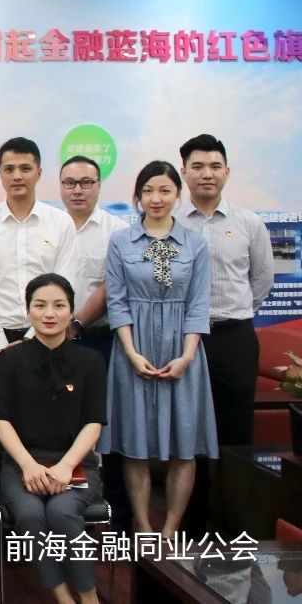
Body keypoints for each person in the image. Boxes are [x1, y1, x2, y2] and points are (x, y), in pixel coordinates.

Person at [99, 161, 217, 538]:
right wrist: (131, 353)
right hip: (133, 349)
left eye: (165, 190)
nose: (156, 198)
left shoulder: (195, 243)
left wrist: (187, 356)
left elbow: (199, 305)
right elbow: (117, 303)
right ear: (138, 196)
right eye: (148, 190)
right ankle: (143, 526)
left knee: (185, 444)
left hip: (183, 349)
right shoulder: (121, 242)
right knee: (135, 444)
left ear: (177, 195)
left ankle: (171, 528)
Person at [178, 134, 272, 534]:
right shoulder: (171, 223)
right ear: (184, 173)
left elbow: (262, 281)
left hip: (234, 338)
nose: (207, 174)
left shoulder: (249, 223)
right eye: (198, 166)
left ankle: (234, 526)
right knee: (189, 434)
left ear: (227, 172)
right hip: (185, 341)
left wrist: (232, 314)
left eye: (215, 166)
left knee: (236, 437)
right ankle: (194, 525)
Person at [0, 273, 106, 604]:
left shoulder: (90, 361)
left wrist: (65, 466)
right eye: (40, 305)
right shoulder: (9, 360)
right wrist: (28, 465)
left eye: (59, 306)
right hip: (21, 464)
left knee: (62, 512)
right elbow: (0, 420)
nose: (50, 314)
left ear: (71, 311)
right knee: (29, 514)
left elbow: (94, 422)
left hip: (75, 463)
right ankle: (64, 598)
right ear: (28, 311)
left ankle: (89, 598)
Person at [0, 137, 78, 399]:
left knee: (49, 417)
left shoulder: (60, 223)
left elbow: (64, 287)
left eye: (25, 168)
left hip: (48, 339)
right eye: (9, 169)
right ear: (0, 174)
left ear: (38, 173)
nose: (17, 176)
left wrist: (30, 340)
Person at [57, 155, 131, 531]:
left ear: (99, 186)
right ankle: (65, 510)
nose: (78, 190)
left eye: (86, 182)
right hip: (53, 341)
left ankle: (118, 517)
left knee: (106, 424)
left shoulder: (117, 231)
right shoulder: (51, 225)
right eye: (70, 183)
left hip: (100, 339)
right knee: (60, 424)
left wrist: (75, 323)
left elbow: (109, 286)